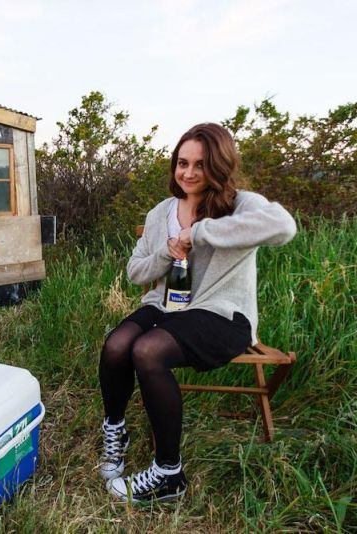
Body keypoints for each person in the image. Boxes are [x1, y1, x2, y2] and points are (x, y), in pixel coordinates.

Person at [97, 123, 297, 503]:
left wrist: (199, 233)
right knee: (117, 344)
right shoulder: (161, 213)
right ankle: (115, 432)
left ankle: (168, 473)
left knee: (148, 350)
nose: (188, 173)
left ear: (218, 166)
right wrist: (166, 252)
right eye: (182, 163)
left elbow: (283, 226)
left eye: (200, 165)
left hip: (222, 313)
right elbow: (135, 271)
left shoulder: (241, 203)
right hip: (166, 307)